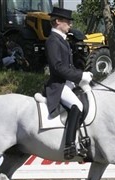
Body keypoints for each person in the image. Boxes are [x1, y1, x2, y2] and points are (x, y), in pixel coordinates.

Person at [45, 7, 93, 160]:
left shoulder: (62, 40)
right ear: (58, 21)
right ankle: (69, 145)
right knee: (77, 106)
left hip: (68, 83)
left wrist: (82, 77)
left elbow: (68, 66)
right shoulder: (52, 41)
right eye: (67, 22)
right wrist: (80, 75)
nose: (70, 25)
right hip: (59, 84)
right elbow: (58, 68)